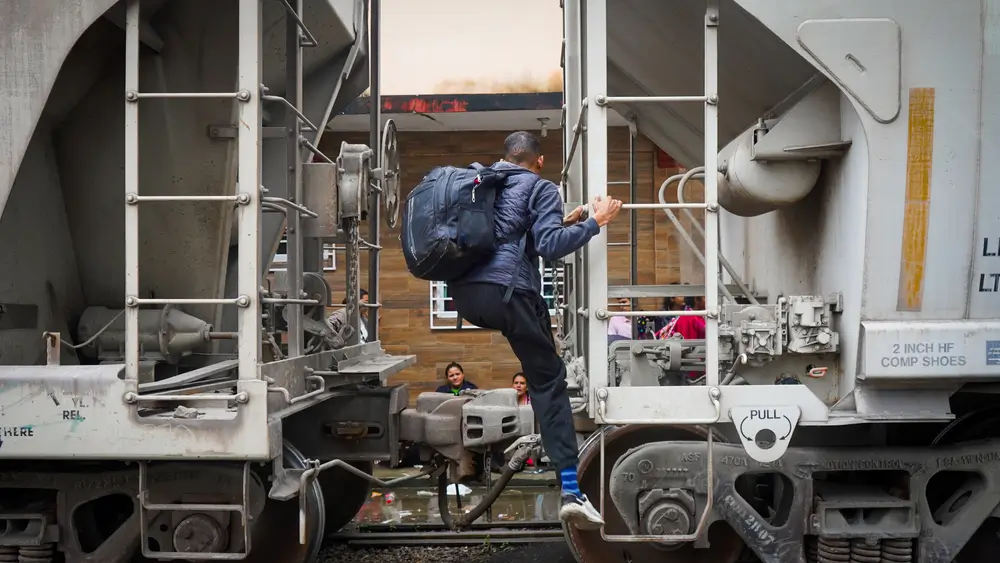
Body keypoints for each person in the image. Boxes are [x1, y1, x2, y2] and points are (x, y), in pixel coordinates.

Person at [448, 130, 622, 529]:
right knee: (548, 381)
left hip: (465, 297)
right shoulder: (541, 186)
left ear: (507, 155)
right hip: (508, 293)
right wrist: (596, 222)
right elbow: (548, 246)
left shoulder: (482, 182)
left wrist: (569, 220)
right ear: (539, 161)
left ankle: (559, 471)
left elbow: (514, 234)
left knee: (540, 362)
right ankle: (571, 492)